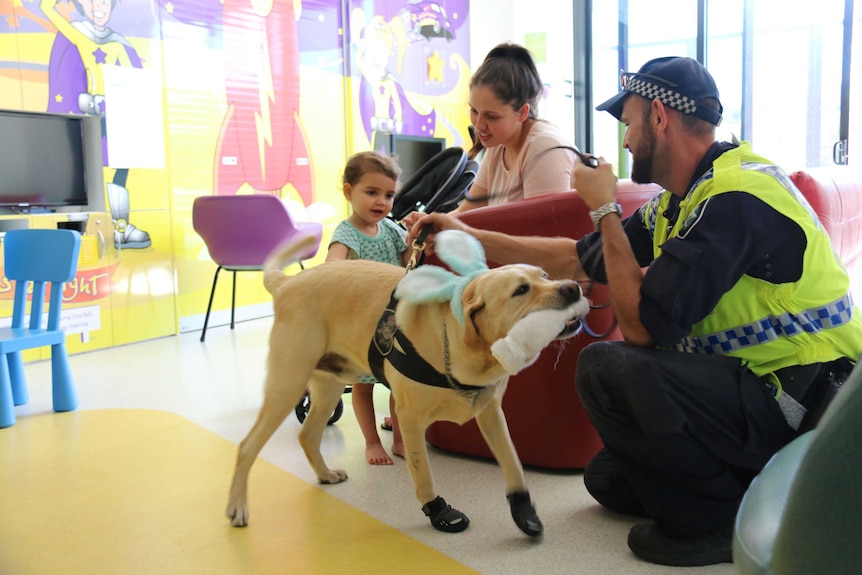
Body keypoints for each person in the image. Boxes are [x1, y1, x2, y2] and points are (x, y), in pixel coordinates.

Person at [407, 56, 862, 566]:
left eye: (629, 123)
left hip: (802, 401)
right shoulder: (682, 200)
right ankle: (738, 490)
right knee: (607, 479)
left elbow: (643, 330)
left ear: (660, 117)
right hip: (751, 386)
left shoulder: (737, 198)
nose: (624, 140)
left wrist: (604, 209)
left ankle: (709, 524)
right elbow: (579, 259)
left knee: (606, 365)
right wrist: (468, 234)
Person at [327, 151, 410, 465]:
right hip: (361, 327)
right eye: (371, 193)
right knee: (362, 387)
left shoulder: (390, 229)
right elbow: (332, 265)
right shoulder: (347, 234)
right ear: (349, 192)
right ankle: (372, 443)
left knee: (398, 385)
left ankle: (401, 439)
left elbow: (409, 260)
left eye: (388, 195)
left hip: (392, 322)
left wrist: (416, 237)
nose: (381, 202)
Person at [453, 43, 580, 213]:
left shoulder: (544, 147)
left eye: (492, 116)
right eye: (474, 111)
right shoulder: (498, 143)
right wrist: (432, 224)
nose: (478, 125)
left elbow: (541, 234)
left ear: (522, 112)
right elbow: (467, 212)